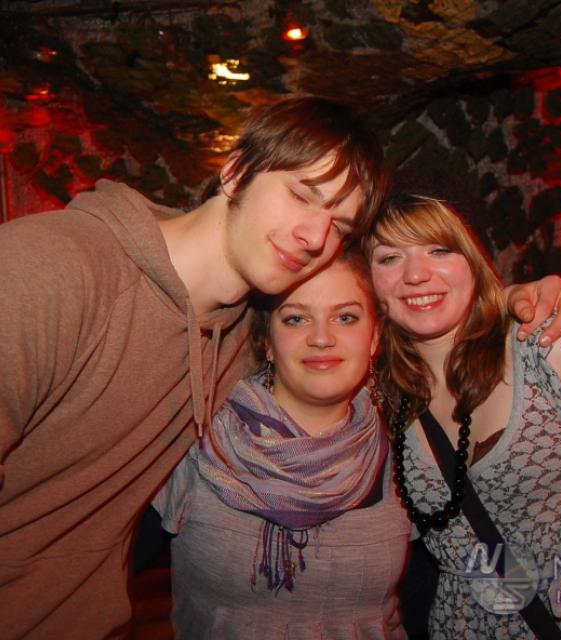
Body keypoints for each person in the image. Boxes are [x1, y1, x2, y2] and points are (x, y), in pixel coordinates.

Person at [0, 94, 561, 640]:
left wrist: (512, 299)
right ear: (235, 170)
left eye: (340, 225)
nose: (315, 235)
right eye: (303, 193)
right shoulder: (54, 268)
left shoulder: (239, 332)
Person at [365, 171, 561, 639]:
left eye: (439, 249)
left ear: (474, 256)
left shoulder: (550, 348)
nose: (415, 275)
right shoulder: (380, 397)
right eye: (389, 257)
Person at [153, 250, 412, 639]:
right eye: (296, 318)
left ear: (374, 336)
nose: (322, 338)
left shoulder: (406, 452)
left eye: (345, 317)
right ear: (268, 343)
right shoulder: (195, 444)